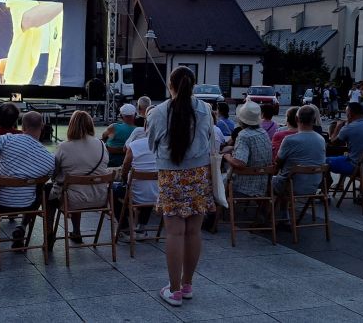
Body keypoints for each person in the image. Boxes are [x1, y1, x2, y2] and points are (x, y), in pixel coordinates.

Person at [147, 66, 215, 307]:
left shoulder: (157, 112)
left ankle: (173, 290)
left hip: (171, 175)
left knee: (175, 233)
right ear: (193, 85)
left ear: (170, 85)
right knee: (193, 232)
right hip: (198, 174)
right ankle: (187, 285)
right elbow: (208, 139)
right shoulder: (205, 110)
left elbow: (152, 143)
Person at [0, 111, 55, 246]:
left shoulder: (8, 139)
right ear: (43, 127)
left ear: (23, 127)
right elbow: (47, 181)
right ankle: (21, 227)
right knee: (39, 191)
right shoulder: (49, 159)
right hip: (28, 205)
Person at [49, 111, 109, 243]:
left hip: (72, 199)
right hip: (100, 197)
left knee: (50, 194)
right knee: (77, 187)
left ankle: (48, 235)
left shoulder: (64, 147)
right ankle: (76, 231)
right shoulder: (101, 144)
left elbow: (53, 173)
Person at [117, 107, 159, 241]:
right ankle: (142, 228)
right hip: (158, 195)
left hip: (135, 194)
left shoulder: (134, 145)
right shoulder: (163, 146)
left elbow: (125, 168)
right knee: (149, 187)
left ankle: (124, 229)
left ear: (145, 126)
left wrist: (124, 180)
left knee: (111, 192)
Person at [3, 0, 63, 85]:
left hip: (48, 75)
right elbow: (28, 20)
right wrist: (64, 1)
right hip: (19, 78)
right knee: (16, 98)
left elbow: (58, 42)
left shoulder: (56, 4)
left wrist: (56, 75)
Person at [223, 102, 273, 199]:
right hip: (262, 183)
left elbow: (240, 163)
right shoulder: (263, 132)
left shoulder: (243, 135)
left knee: (216, 182)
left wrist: (227, 156)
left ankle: (217, 213)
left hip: (243, 185)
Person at [274, 106, 326, 198]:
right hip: (313, 185)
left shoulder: (289, 140)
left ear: (296, 119)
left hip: (290, 184)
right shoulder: (321, 139)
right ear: (314, 120)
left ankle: (279, 210)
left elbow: (278, 162)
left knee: (267, 182)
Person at [326, 102, 363, 179]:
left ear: (349, 114)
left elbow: (333, 142)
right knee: (346, 158)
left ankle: (326, 185)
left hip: (357, 169)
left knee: (325, 161)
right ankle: (362, 186)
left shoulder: (349, 128)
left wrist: (338, 127)